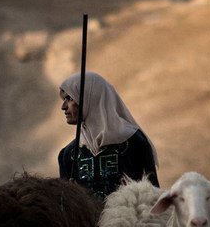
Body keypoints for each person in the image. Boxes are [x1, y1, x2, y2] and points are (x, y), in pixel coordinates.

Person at [57, 71, 159, 200]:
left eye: (70, 98)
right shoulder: (69, 154)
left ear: (91, 98)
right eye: (64, 99)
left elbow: (153, 199)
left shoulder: (134, 143)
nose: (63, 107)